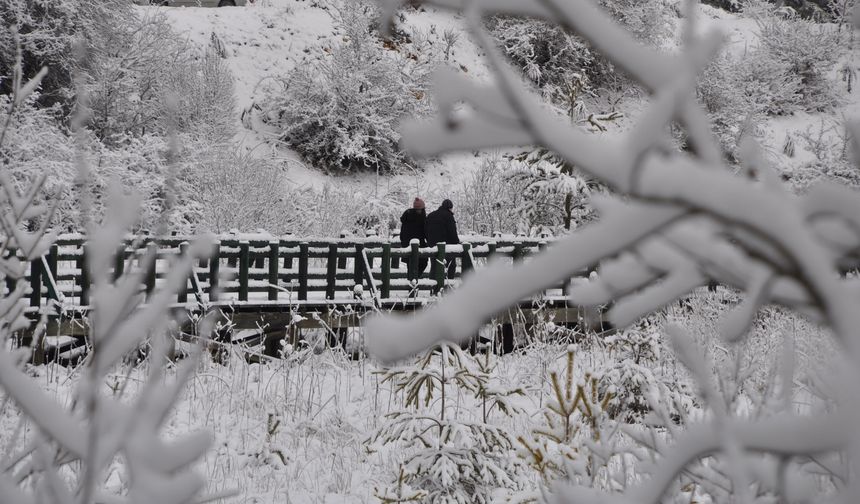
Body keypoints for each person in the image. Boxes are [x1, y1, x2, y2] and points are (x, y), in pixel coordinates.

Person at [425, 199, 460, 279]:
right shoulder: (449, 216)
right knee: (451, 266)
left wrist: (429, 242)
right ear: (450, 208)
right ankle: (448, 286)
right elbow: (452, 231)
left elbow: (425, 230)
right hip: (447, 246)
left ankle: (433, 287)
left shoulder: (431, 215)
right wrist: (456, 243)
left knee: (434, 267)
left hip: (433, 246)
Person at [400, 197, 428, 279]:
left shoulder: (407, 217)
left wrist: (404, 243)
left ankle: (412, 282)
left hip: (407, 245)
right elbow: (424, 232)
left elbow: (403, 233)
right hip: (419, 245)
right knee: (422, 263)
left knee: (411, 266)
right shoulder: (421, 218)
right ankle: (413, 281)